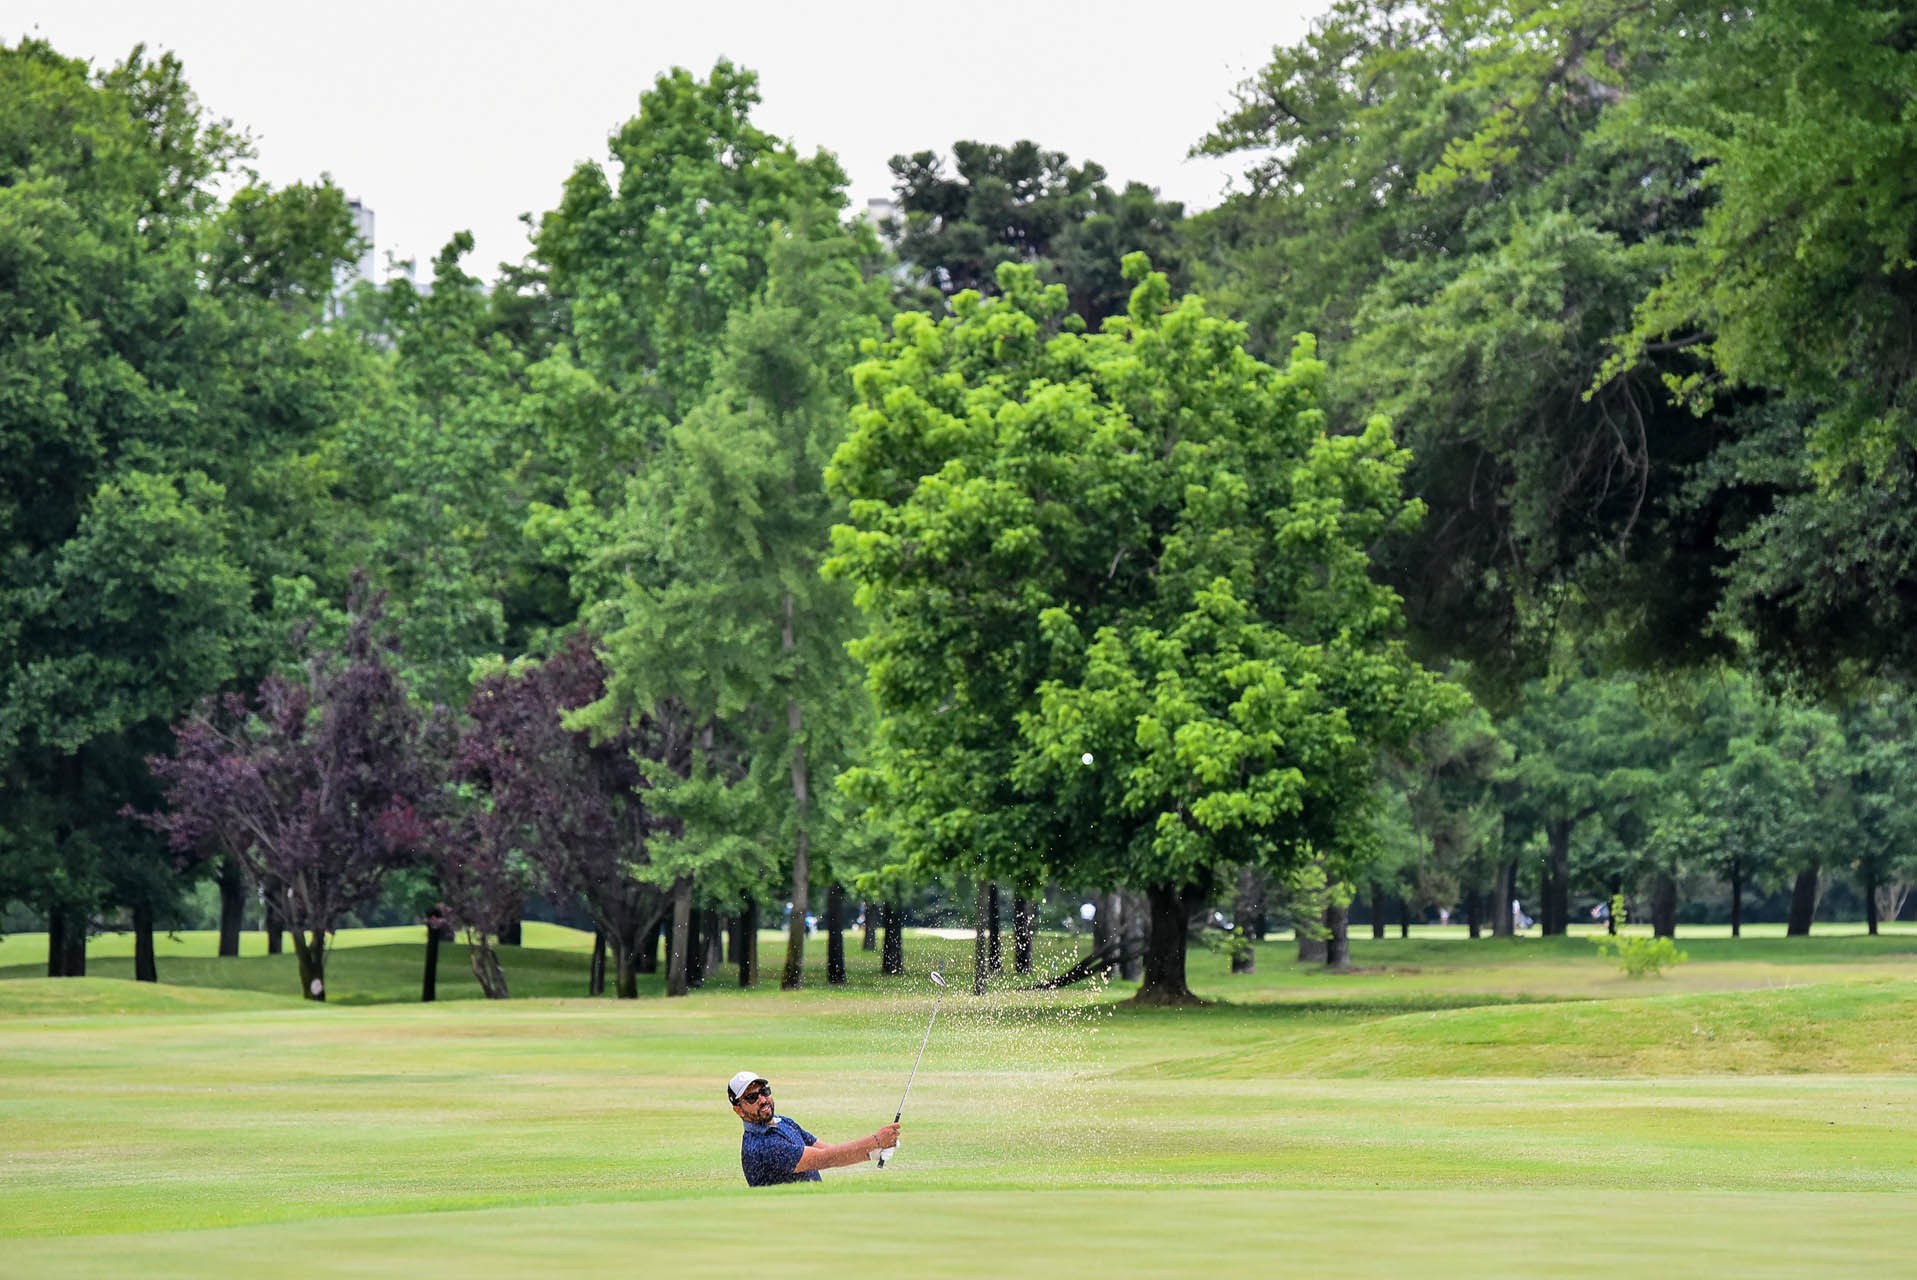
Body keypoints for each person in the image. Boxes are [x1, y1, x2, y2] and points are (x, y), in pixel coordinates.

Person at [726, 1071, 901, 1187]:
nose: (763, 1099)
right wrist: (876, 1141)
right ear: (739, 1110)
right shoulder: (762, 1146)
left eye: (764, 1091)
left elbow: (829, 1150)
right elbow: (824, 1159)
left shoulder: (783, 1122)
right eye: (752, 1097)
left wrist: (872, 1153)